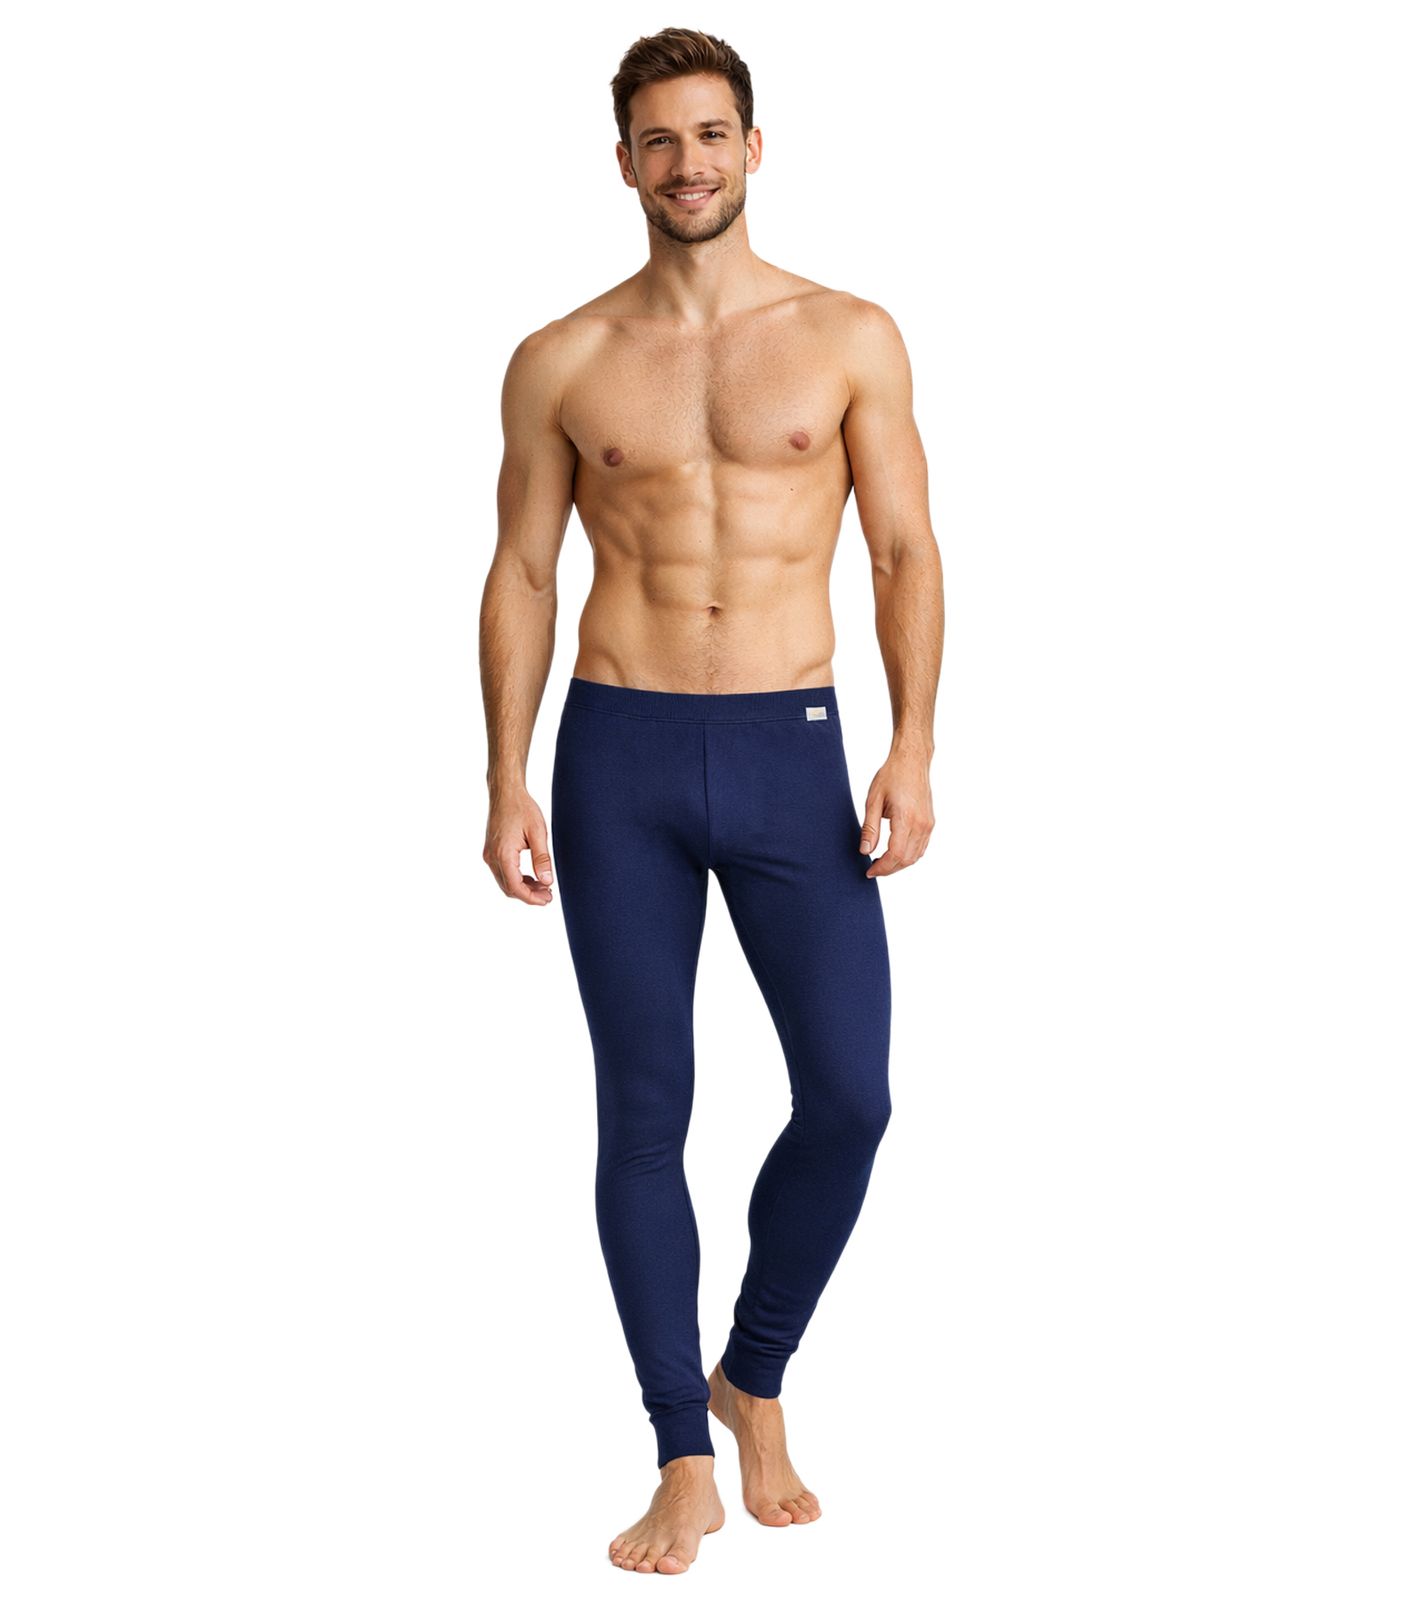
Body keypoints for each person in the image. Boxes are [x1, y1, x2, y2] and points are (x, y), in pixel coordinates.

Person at [480, 27, 943, 1576]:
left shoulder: (847, 334)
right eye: (660, 139)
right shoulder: (560, 357)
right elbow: (523, 569)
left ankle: (754, 1372)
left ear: (754, 146)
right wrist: (503, 773)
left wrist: (912, 745)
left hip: (789, 748)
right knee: (642, 1113)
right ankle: (681, 1448)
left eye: (711, 133)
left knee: (850, 1096)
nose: (689, 162)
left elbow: (902, 550)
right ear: (622, 162)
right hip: (614, 754)